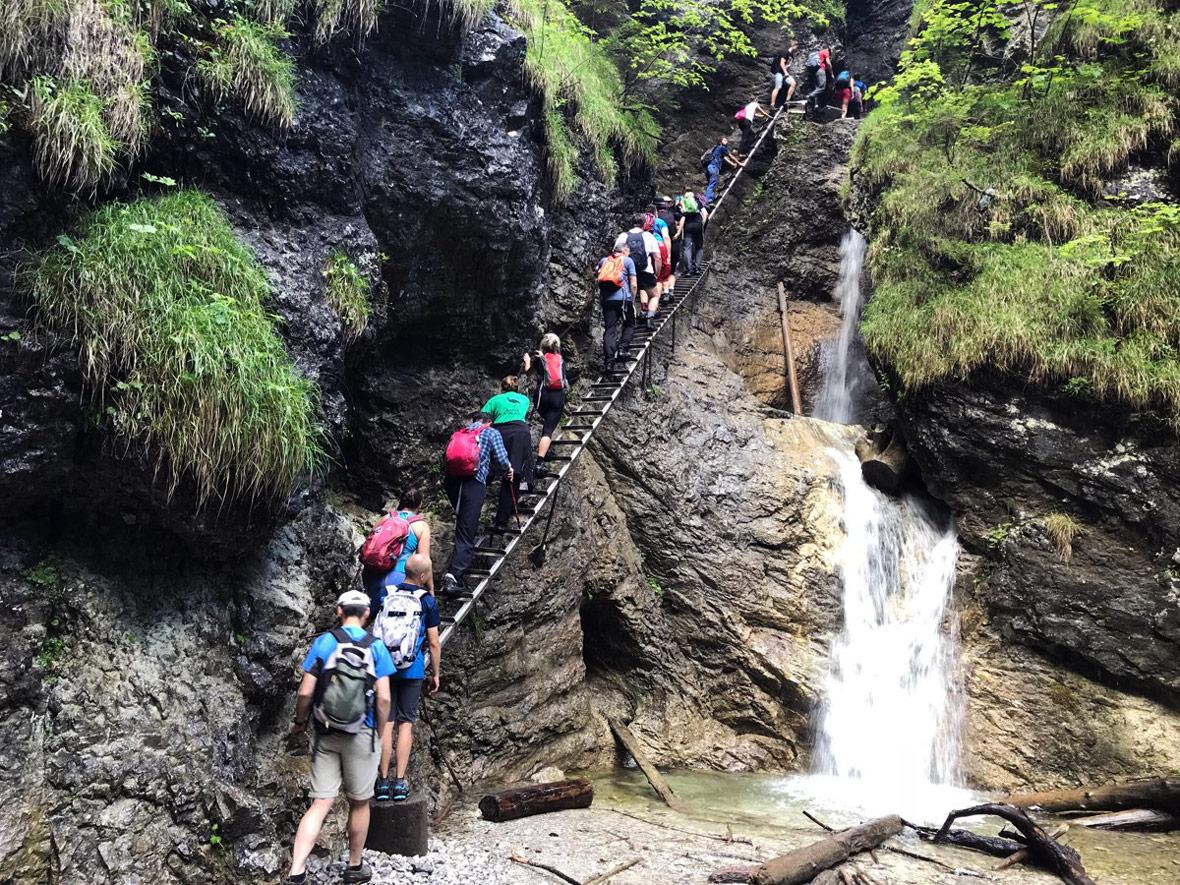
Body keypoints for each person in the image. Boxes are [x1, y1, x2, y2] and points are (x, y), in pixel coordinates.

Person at [285, 590, 394, 885]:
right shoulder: (377, 647)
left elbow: (305, 691)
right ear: (367, 614)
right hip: (363, 734)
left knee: (320, 802)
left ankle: (296, 871)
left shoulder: (324, 642)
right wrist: (378, 733)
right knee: (360, 802)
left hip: (326, 732)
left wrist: (299, 722)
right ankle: (355, 867)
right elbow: (384, 699)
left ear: (339, 611)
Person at [373, 554, 441, 804]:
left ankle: (381, 782)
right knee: (405, 724)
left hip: (384, 668)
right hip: (411, 670)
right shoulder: (427, 602)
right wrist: (435, 673)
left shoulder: (386, 593)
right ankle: (399, 782)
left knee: (386, 724)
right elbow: (433, 641)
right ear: (423, 576)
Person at [441, 411, 512, 596]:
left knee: (463, 523)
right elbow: (502, 460)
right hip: (473, 483)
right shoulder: (491, 432)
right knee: (466, 532)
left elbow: (447, 458)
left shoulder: (460, 432)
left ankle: (455, 572)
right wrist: (508, 470)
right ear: (489, 422)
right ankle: (453, 576)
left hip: (453, 482)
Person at [361, 489, 433, 614]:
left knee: (374, 616)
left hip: (372, 575)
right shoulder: (421, 526)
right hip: (398, 578)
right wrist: (431, 588)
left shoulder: (385, 518)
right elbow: (424, 561)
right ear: (420, 504)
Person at [481, 376, 533, 530]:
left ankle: (474, 502)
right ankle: (502, 521)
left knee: (488, 470)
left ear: (502, 387)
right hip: (520, 433)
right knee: (512, 475)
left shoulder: (495, 400)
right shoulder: (524, 399)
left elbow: (482, 418)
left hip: (500, 431)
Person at [522, 333, 567, 474]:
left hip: (542, 396)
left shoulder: (539, 358)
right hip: (558, 397)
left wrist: (528, 360)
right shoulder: (561, 360)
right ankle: (541, 462)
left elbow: (527, 371)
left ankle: (543, 456)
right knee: (548, 429)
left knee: (546, 423)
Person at [597, 235, 638, 368]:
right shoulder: (627, 261)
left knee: (610, 330)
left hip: (607, 301)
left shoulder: (604, 261)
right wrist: (631, 300)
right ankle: (622, 349)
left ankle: (609, 362)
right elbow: (633, 284)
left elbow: (597, 276)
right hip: (623, 299)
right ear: (625, 251)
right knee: (630, 324)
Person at [623, 217, 662, 324]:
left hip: (627, 273)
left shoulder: (623, 236)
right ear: (643, 224)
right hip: (646, 271)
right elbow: (657, 257)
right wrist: (657, 273)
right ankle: (649, 317)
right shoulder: (648, 236)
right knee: (654, 295)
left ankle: (631, 322)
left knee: (630, 299)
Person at [702, 136, 743, 203]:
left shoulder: (717, 149)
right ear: (720, 142)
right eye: (724, 140)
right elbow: (731, 156)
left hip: (710, 167)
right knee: (712, 184)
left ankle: (709, 200)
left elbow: (725, 159)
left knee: (712, 184)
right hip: (713, 167)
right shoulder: (722, 147)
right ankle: (708, 200)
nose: (726, 141)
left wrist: (733, 164)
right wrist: (739, 163)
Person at [658, 197, 681, 292]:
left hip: (661, 247)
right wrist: (678, 232)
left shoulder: (657, 218)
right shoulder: (671, 215)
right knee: (671, 271)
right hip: (674, 244)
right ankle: (670, 290)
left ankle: (665, 291)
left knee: (661, 273)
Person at [680, 191, 705, 275]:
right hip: (698, 225)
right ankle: (697, 268)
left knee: (687, 248)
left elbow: (682, 216)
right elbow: (705, 213)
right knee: (699, 247)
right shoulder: (697, 202)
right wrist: (702, 224)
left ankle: (688, 270)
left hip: (688, 226)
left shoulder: (684, 203)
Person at [805, 46, 834, 113]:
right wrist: (832, 73)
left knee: (817, 88)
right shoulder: (825, 51)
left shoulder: (818, 53)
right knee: (822, 87)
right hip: (820, 70)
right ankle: (810, 96)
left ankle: (816, 105)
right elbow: (828, 63)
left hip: (814, 72)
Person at [769, 43, 797, 108]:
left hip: (784, 73)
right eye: (797, 46)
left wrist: (787, 67)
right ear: (793, 46)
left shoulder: (791, 55)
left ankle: (787, 102)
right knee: (778, 87)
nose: (798, 48)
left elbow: (785, 65)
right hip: (779, 73)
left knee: (793, 83)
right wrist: (786, 72)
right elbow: (782, 63)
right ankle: (772, 104)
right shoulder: (785, 52)